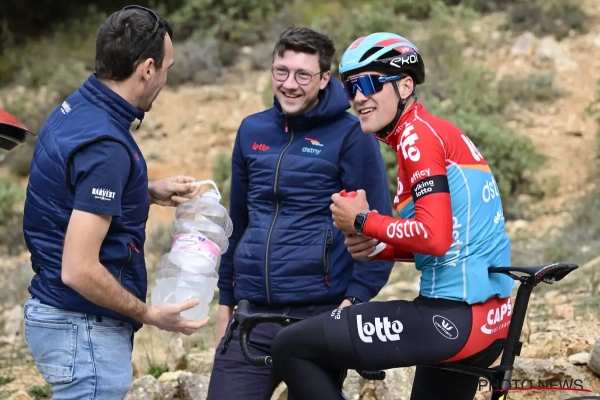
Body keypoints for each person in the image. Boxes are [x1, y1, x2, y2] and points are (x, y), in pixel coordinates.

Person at [269, 32, 517, 400]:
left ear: (405, 86)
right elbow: (454, 241)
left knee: (290, 346)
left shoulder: (417, 138)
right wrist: (381, 247)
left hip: (451, 317)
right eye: (351, 87)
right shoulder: (436, 132)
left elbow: (435, 237)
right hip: (488, 322)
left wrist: (362, 220)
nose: (358, 97)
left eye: (370, 83)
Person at [21, 6, 209, 400]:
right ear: (147, 69)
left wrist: (144, 191)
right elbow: (79, 269)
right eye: (167, 69)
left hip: (60, 317)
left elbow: (70, 192)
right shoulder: (106, 146)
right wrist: (149, 314)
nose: (165, 79)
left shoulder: (77, 108)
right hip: (83, 328)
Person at [207, 27, 395, 400]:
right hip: (251, 316)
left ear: (325, 78)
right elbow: (236, 223)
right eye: (282, 71)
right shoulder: (251, 130)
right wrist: (225, 304)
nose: (289, 84)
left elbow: (377, 229)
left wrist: (352, 304)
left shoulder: (351, 135)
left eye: (303, 75)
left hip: (317, 317)